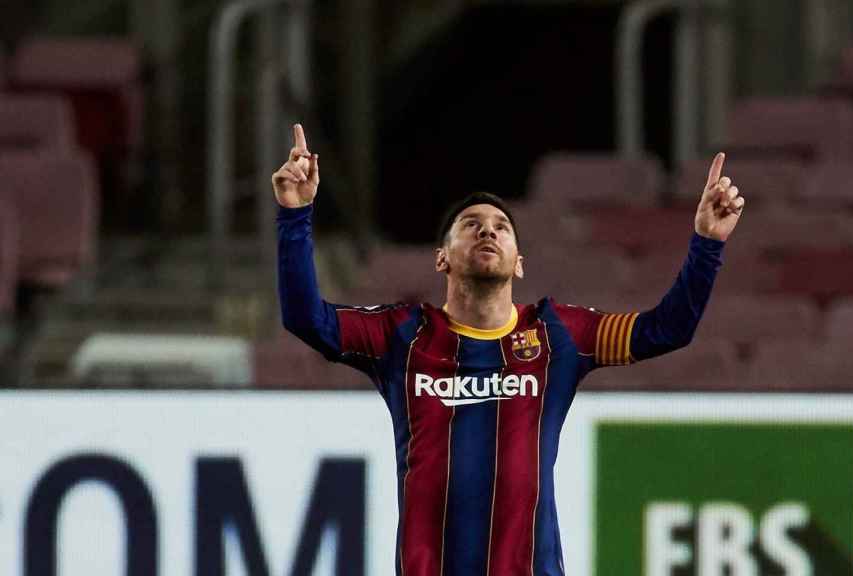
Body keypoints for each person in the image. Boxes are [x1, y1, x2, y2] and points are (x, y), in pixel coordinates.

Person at [274, 123, 744, 575]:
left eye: (501, 226)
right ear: (442, 257)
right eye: (471, 224)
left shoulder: (558, 335)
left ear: (519, 262)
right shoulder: (402, 336)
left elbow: (667, 330)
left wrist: (707, 243)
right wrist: (295, 214)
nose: (488, 231)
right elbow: (306, 318)